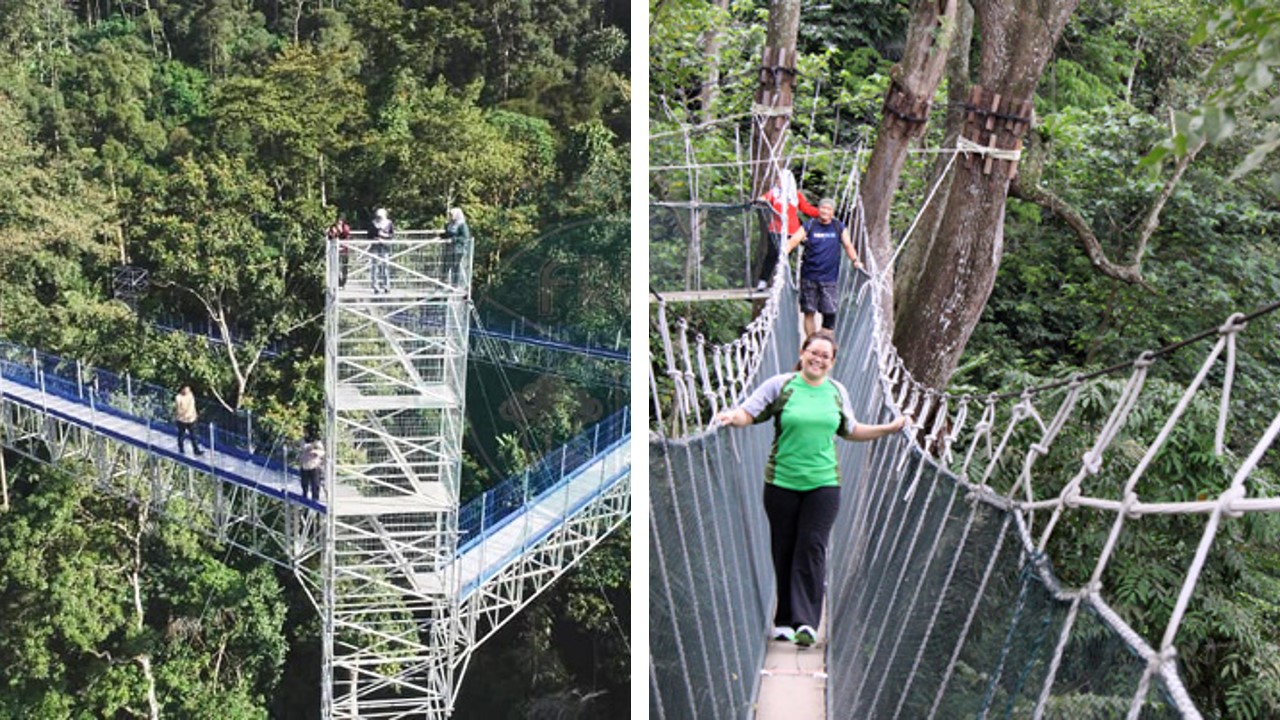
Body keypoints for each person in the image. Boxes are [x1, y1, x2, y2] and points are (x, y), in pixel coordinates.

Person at [715, 331, 906, 648]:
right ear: (803, 352)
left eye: (825, 356)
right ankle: (784, 621)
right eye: (813, 352)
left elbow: (850, 429)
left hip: (824, 483)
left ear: (832, 363)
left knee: (812, 546)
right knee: (784, 547)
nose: (818, 359)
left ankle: (806, 623)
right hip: (781, 482)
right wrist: (731, 416)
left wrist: (887, 429)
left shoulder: (836, 391)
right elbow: (748, 413)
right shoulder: (780, 385)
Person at [785, 198, 862, 338]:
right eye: (823, 208)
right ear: (818, 209)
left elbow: (848, 245)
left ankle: (824, 345)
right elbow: (794, 240)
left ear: (832, 212)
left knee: (829, 313)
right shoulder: (810, 225)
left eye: (828, 209)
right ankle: (811, 342)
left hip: (829, 278)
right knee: (809, 311)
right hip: (809, 276)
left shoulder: (839, 227)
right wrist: (784, 253)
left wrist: (855, 260)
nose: (825, 211)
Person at [757, 169, 820, 291]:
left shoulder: (795, 196)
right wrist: (760, 200)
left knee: (785, 257)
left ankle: (779, 283)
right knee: (771, 255)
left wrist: (821, 213)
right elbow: (764, 198)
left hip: (792, 232)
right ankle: (763, 281)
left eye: (779, 179)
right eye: (777, 179)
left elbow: (807, 209)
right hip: (776, 230)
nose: (777, 182)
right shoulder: (774, 194)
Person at [369, 207, 394, 293]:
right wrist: (375, 238)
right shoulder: (373, 223)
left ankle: (386, 286)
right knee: (374, 266)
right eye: (378, 216)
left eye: (380, 216)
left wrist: (384, 235)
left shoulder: (389, 223)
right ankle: (375, 286)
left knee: (385, 266)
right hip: (375, 246)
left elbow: (391, 235)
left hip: (385, 246)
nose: (379, 218)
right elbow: (369, 235)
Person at [174, 384, 203, 456]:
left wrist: (194, 415)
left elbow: (192, 406)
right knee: (181, 434)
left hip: (191, 419)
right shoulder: (178, 397)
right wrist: (183, 416)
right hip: (182, 420)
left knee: (194, 436)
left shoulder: (190, 395)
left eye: (188, 389)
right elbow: (178, 409)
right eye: (186, 389)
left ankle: (196, 450)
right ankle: (181, 449)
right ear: (182, 389)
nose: (187, 391)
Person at [298, 430, 325, 502]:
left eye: (306, 432)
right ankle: (304, 496)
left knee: (315, 484)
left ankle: (315, 498)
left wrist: (315, 451)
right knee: (304, 484)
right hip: (304, 465)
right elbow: (302, 447)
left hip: (314, 466)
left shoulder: (317, 442)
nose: (305, 434)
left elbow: (322, 452)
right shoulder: (302, 440)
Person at [327, 212, 352, 289]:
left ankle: (343, 283)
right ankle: (338, 283)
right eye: (338, 220)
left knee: (344, 267)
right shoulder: (332, 227)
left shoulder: (346, 227)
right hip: (335, 250)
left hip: (344, 250)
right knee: (336, 267)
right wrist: (333, 233)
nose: (339, 222)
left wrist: (340, 230)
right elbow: (330, 237)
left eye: (341, 220)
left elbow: (346, 234)